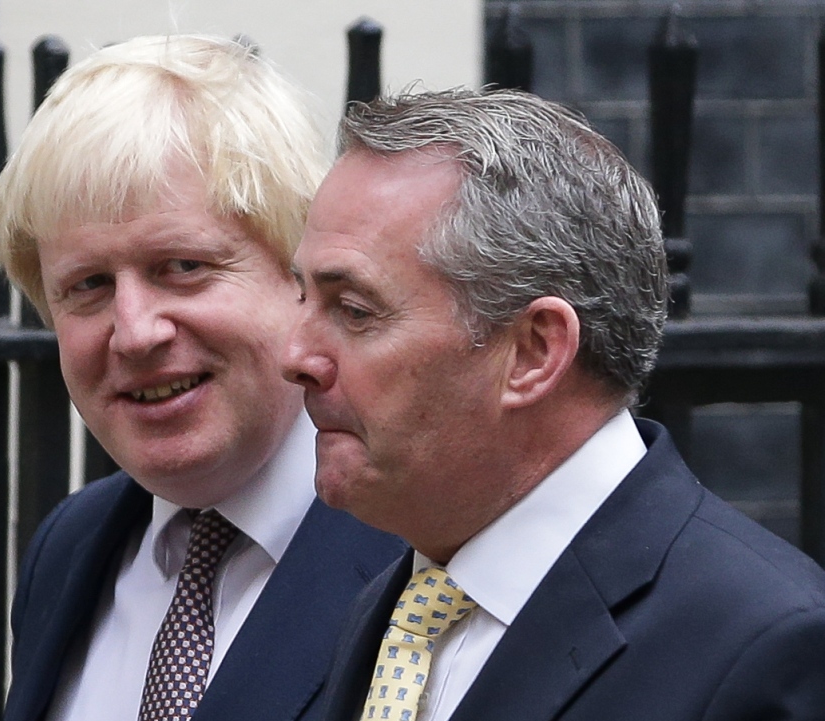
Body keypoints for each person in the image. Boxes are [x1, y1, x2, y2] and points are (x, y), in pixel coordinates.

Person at [283, 87, 825, 721]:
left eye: (354, 311)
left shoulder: (765, 646)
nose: (293, 355)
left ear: (535, 354)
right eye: (302, 299)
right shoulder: (400, 603)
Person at [0, 35, 404, 721]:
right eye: (88, 285)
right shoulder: (68, 548)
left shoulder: (423, 552)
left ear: (298, 272)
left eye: (183, 267)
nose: (136, 331)